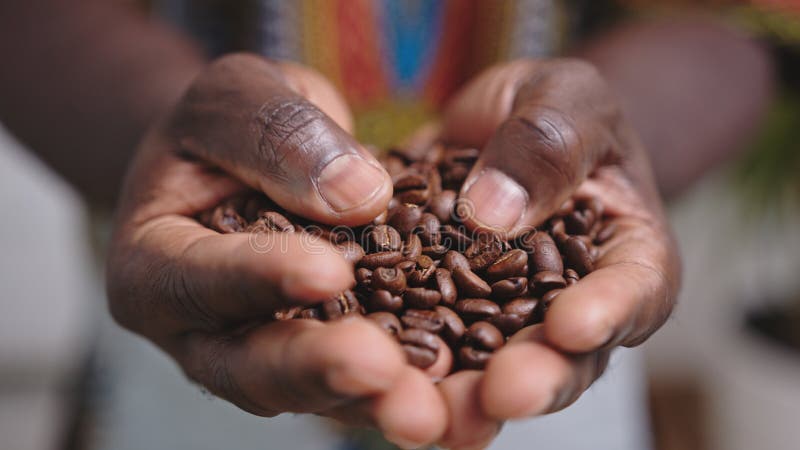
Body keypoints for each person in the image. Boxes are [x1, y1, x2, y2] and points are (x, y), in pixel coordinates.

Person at [0, 1, 773, 448]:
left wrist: (595, 141)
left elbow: (745, 26)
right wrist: (163, 125)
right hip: (202, 325)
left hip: (550, 377)